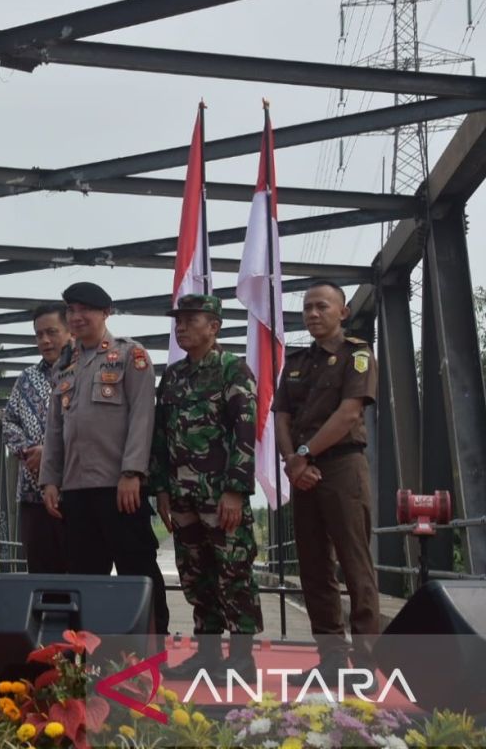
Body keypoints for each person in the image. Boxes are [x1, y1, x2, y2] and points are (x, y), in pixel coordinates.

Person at [39, 281, 170, 639]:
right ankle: (89, 649)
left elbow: (143, 416)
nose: (77, 317)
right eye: (72, 311)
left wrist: (132, 472)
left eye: (85, 310)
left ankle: (151, 645)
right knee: (84, 574)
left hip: (119, 486)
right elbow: (55, 429)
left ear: (105, 313)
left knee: (136, 568)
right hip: (77, 488)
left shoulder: (130, 356)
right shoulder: (65, 366)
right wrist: (50, 480)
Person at [150, 294, 262, 679]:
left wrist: (236, 490)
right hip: (182, 496)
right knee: (196, 574)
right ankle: (209, 654)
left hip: (220, 495)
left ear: (213, 327)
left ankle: (243, 658)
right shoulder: (174, 375)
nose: (180, 327)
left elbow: (245, 433)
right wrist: (161, 488)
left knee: (233, 572)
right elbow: (161, 436)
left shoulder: (233, 371)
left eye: (189, 320)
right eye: (177, 321)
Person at [275, 281, 380, 684]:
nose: (313, 314)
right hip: (302, 472)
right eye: (307, 308)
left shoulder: (357, 355)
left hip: (341, 467)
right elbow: (281, 416)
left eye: (322, 306)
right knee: (314, 567)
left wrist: (304, 456)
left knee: (355, 566)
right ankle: (331, 659)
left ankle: (367, 664)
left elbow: (349, 414)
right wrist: (291, 461)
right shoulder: (298, 361)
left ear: (343, 311)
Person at [2, 303, 72, 574]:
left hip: (74, 491)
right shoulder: (27, 379)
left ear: (69, 332)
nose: (44, 340)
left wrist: (51, 452)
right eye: (39, 334)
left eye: (51, 332)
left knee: (78, 569)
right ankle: (44, 618)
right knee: (41, 570)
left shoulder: (84, 373)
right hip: (33, 494)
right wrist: (29, 452)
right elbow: (8, 422)